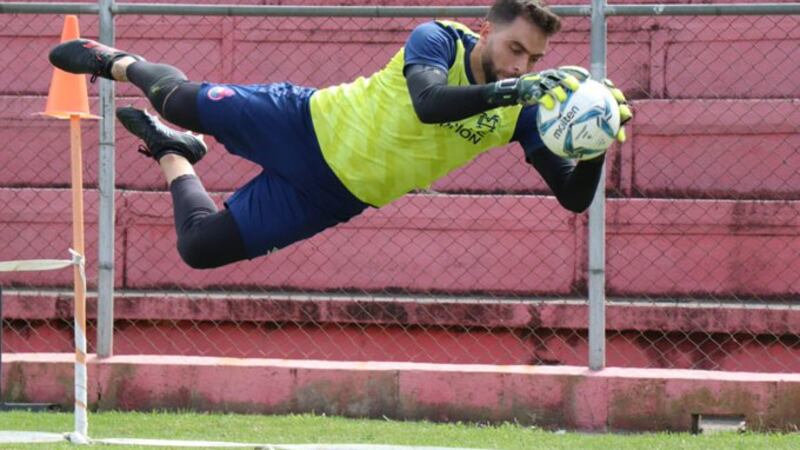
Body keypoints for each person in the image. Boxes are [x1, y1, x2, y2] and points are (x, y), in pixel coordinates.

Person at [49, 0, 632, 269]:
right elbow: (429, 103)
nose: (520, 67)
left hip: (333, 194)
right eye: (514, 50)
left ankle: (175, 152)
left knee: (200, 249)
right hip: (304, 123)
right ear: (486, 30)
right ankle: (116, 62)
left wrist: (596, 139)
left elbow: (574, 197)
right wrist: (511, 92)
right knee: (177, 98)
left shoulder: (525, 108)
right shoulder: (440, 38)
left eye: (533, 58)